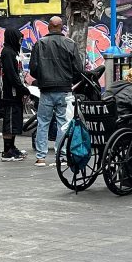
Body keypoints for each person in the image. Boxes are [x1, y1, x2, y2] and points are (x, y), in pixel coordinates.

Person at [28, 16, 84, 167]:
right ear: (62, 27)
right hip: (65, 89)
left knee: (43, 123)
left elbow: (33, 69)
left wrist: (42, 78)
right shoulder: (70, 43)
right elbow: (78, 69)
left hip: (46, 90)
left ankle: (41, 157)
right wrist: (70, 80)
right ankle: (62, 155)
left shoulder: (39, 44)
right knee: (63, 123)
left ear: (48, 27)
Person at [0, 27, 28, 161]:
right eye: (19, 39)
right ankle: (7, 151)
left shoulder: (12, 52)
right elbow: (11, 75)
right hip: (9, 94)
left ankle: (12, 147)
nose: (20, 42)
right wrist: (22, 88)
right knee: (10, 122)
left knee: (15, 121)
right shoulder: (8, 53)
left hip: (15, 94)